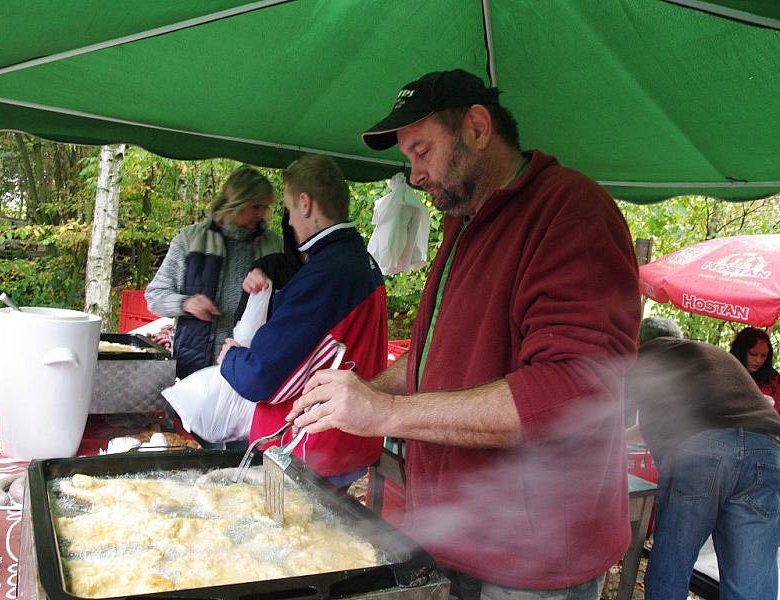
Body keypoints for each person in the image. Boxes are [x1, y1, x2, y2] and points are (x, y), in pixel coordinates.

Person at [287, 69, 642, 599]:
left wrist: (384, 414)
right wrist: (362, 389)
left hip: (532, 558)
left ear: (477, 128)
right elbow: (437, 355)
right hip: (453, 533)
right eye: (409, 159)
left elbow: (569, 395)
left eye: (422, 151)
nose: (415, 174)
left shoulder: (571, 214)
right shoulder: (464, 222)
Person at [219, 154, 387, 489]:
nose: (290, 222)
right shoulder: (360, 260)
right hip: (343, 442)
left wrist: (231, 358)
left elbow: (263, 378)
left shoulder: (327, 272)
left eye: (289, 209)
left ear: (306, 204)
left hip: (306, 453)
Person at [627, 318, 780, 600]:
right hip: (768, 451)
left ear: (640, 343)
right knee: (751, 583)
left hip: (704, 451)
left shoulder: (649, 355)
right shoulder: (709, 355)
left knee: (672, 564)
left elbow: (625, 422)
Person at [145, 166, 282, 379]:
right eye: (255, 206)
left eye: (265, 207)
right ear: (235, 202)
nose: (261, 214)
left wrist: (273, 283)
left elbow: (291, 301)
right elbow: (154, 296)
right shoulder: (190, 240)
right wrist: (186, 303)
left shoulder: (274, 245)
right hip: (194, 363)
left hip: (250, 365)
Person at [729, 326, 780, 410]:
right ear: (741, 352)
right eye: (753, 354)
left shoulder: (773, 379)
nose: (758, 360)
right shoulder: (725, 373)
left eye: (763, 356)